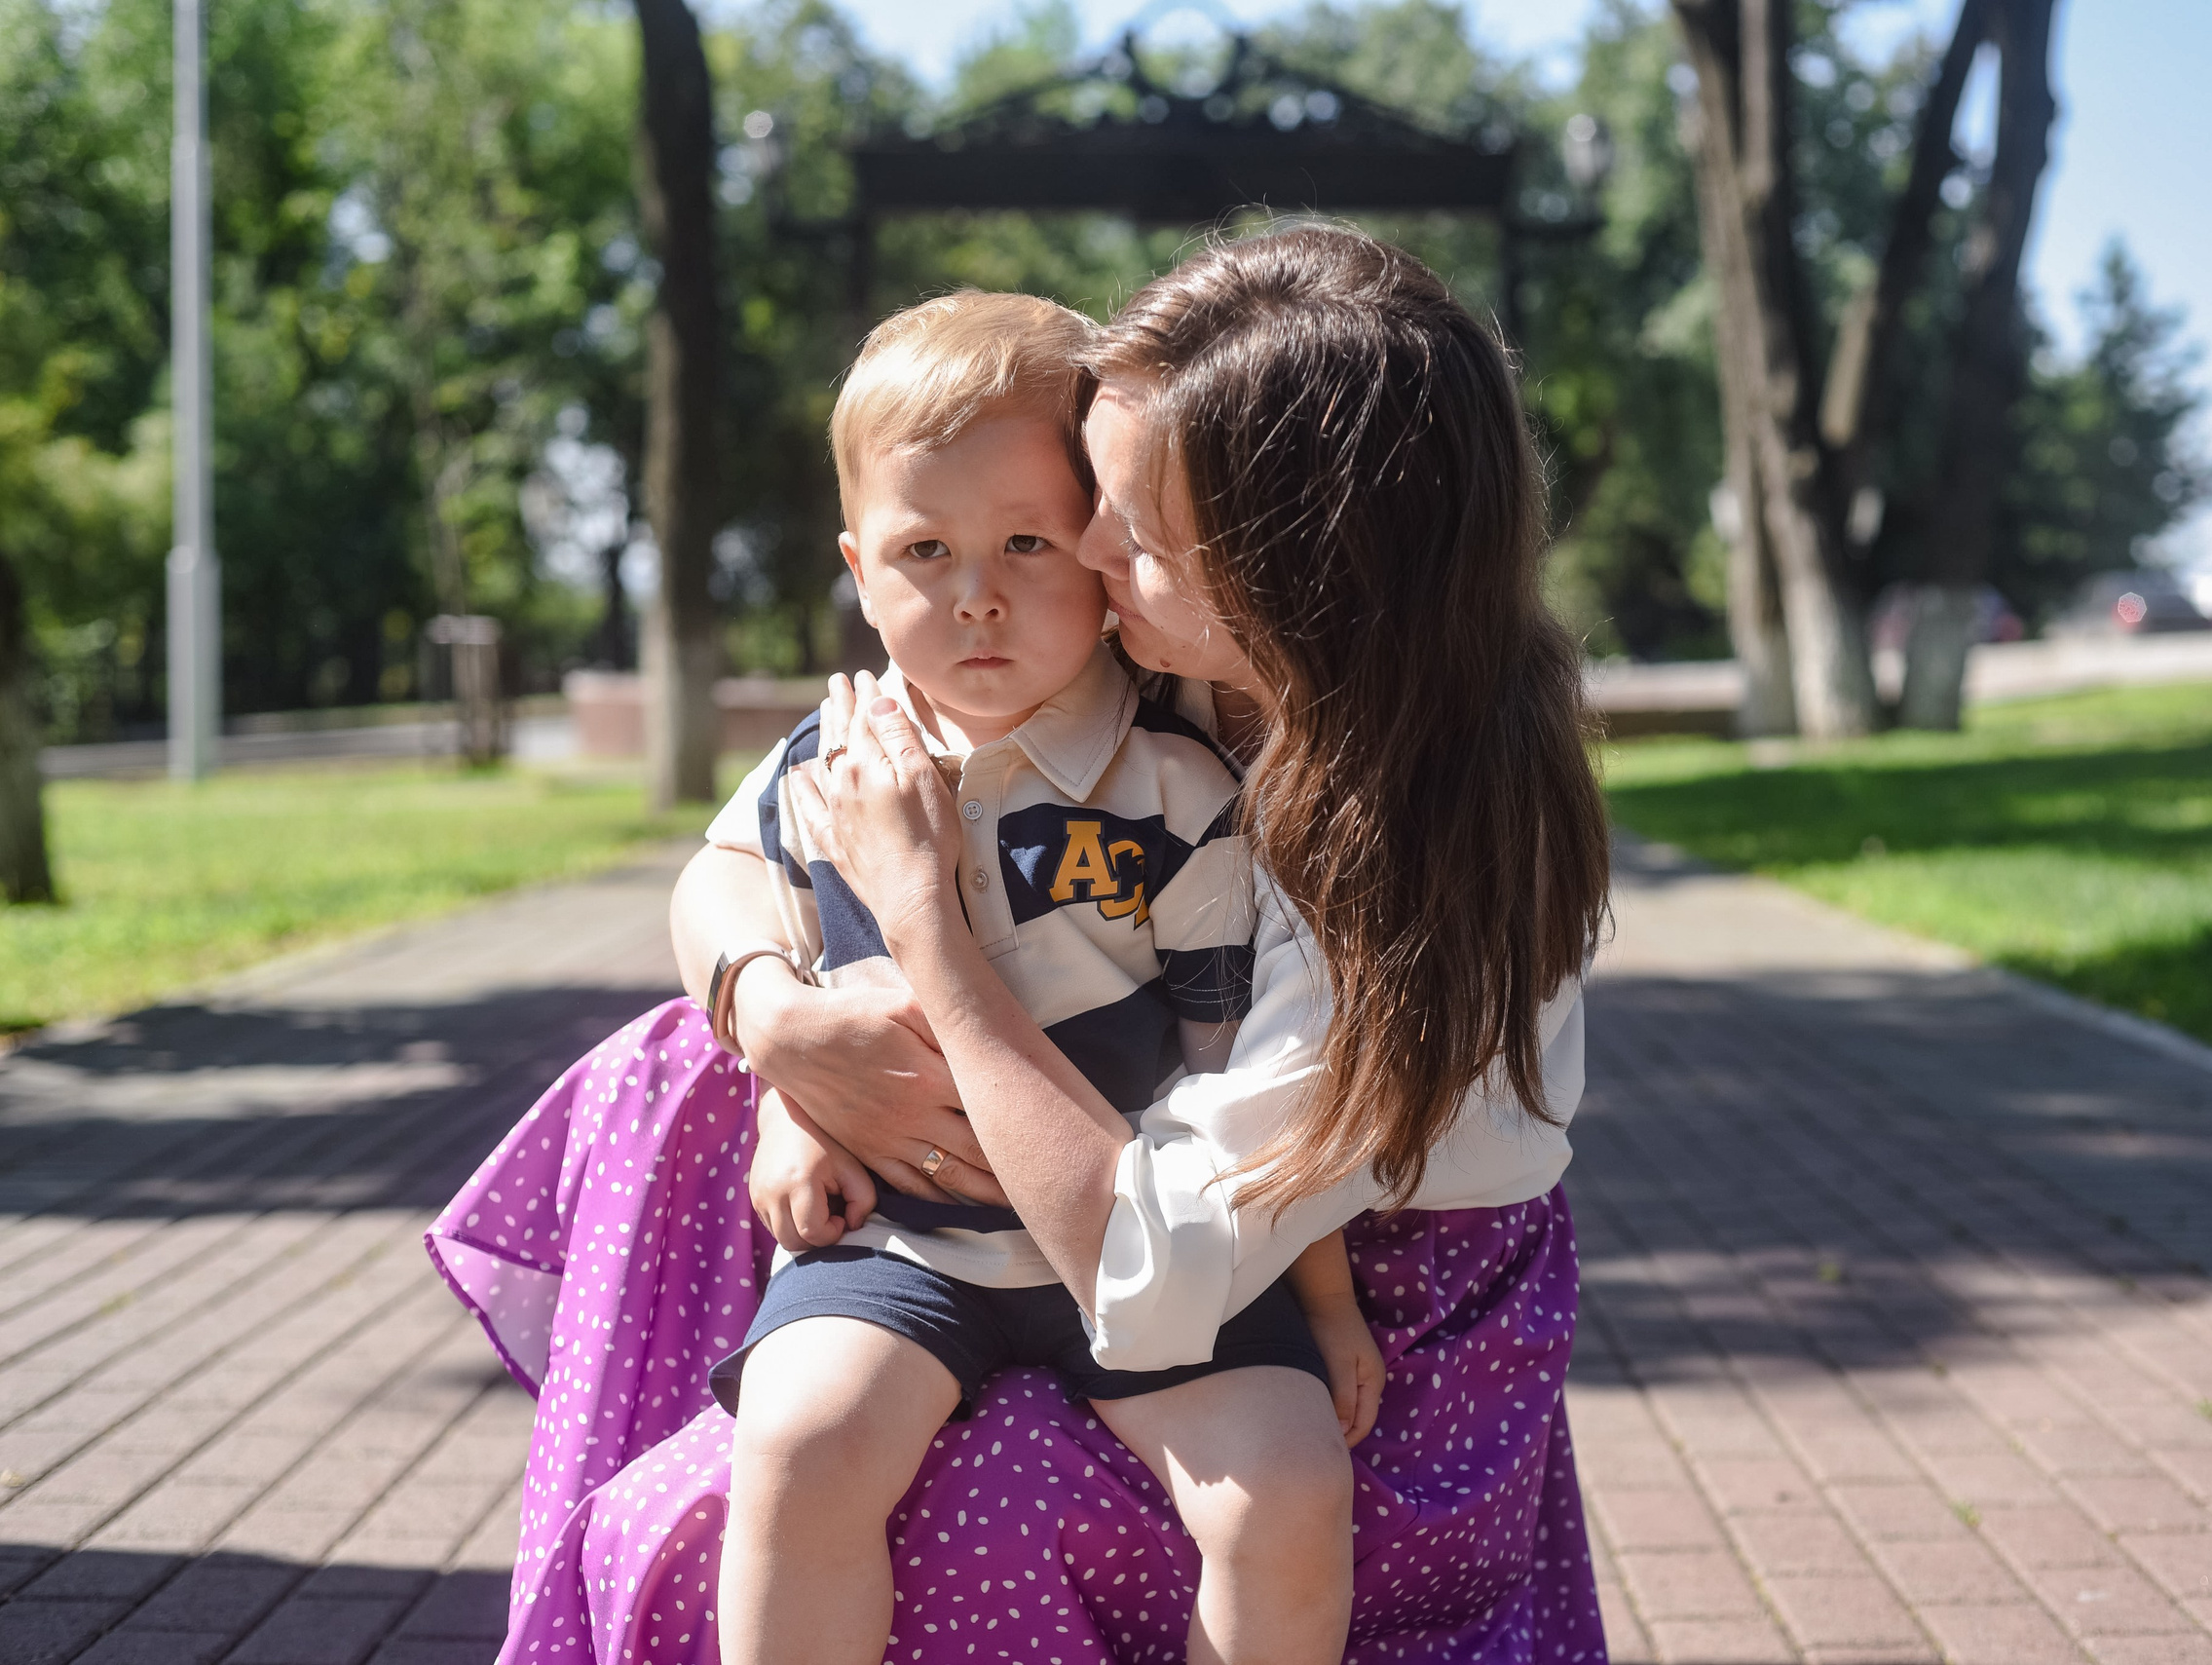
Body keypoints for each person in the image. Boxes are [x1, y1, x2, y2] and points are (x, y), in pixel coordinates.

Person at [429, 222, 1612, 1665]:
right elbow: (741, 868)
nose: (1075, 558)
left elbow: (1172, 1233)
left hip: (1349, 1306)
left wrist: (924, 925)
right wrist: (778, 1034)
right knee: (768, 1468)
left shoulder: (1361, 832)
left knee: (951, 1520)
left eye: (1118, 529)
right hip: (981, 1242)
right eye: (937, 549)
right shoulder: (1083, 700)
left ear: (1291, 574)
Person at [708, 286, 1378, 1665]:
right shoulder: (836, 755)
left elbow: (1244, 1073)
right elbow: (719, 889)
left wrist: (1324, 1302)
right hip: (909, 1243)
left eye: (1026, 539)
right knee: (799, 1436)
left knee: (1292, 1482)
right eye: (922, 549)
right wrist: (779, 1054)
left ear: (1101, 539)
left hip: (1148, 1252)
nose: (977, 593)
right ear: (856, 562)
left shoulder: (1177, 788)